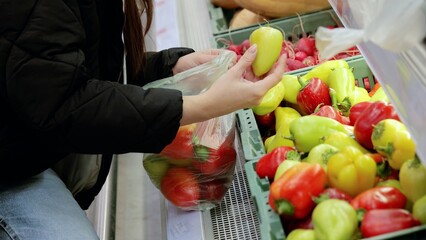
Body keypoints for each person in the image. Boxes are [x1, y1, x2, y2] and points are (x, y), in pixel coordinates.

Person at [0, 0, 286, 239]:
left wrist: (169, 67)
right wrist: (200, 105)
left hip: (22, 147)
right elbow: (63, 105)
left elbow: (67, 68)